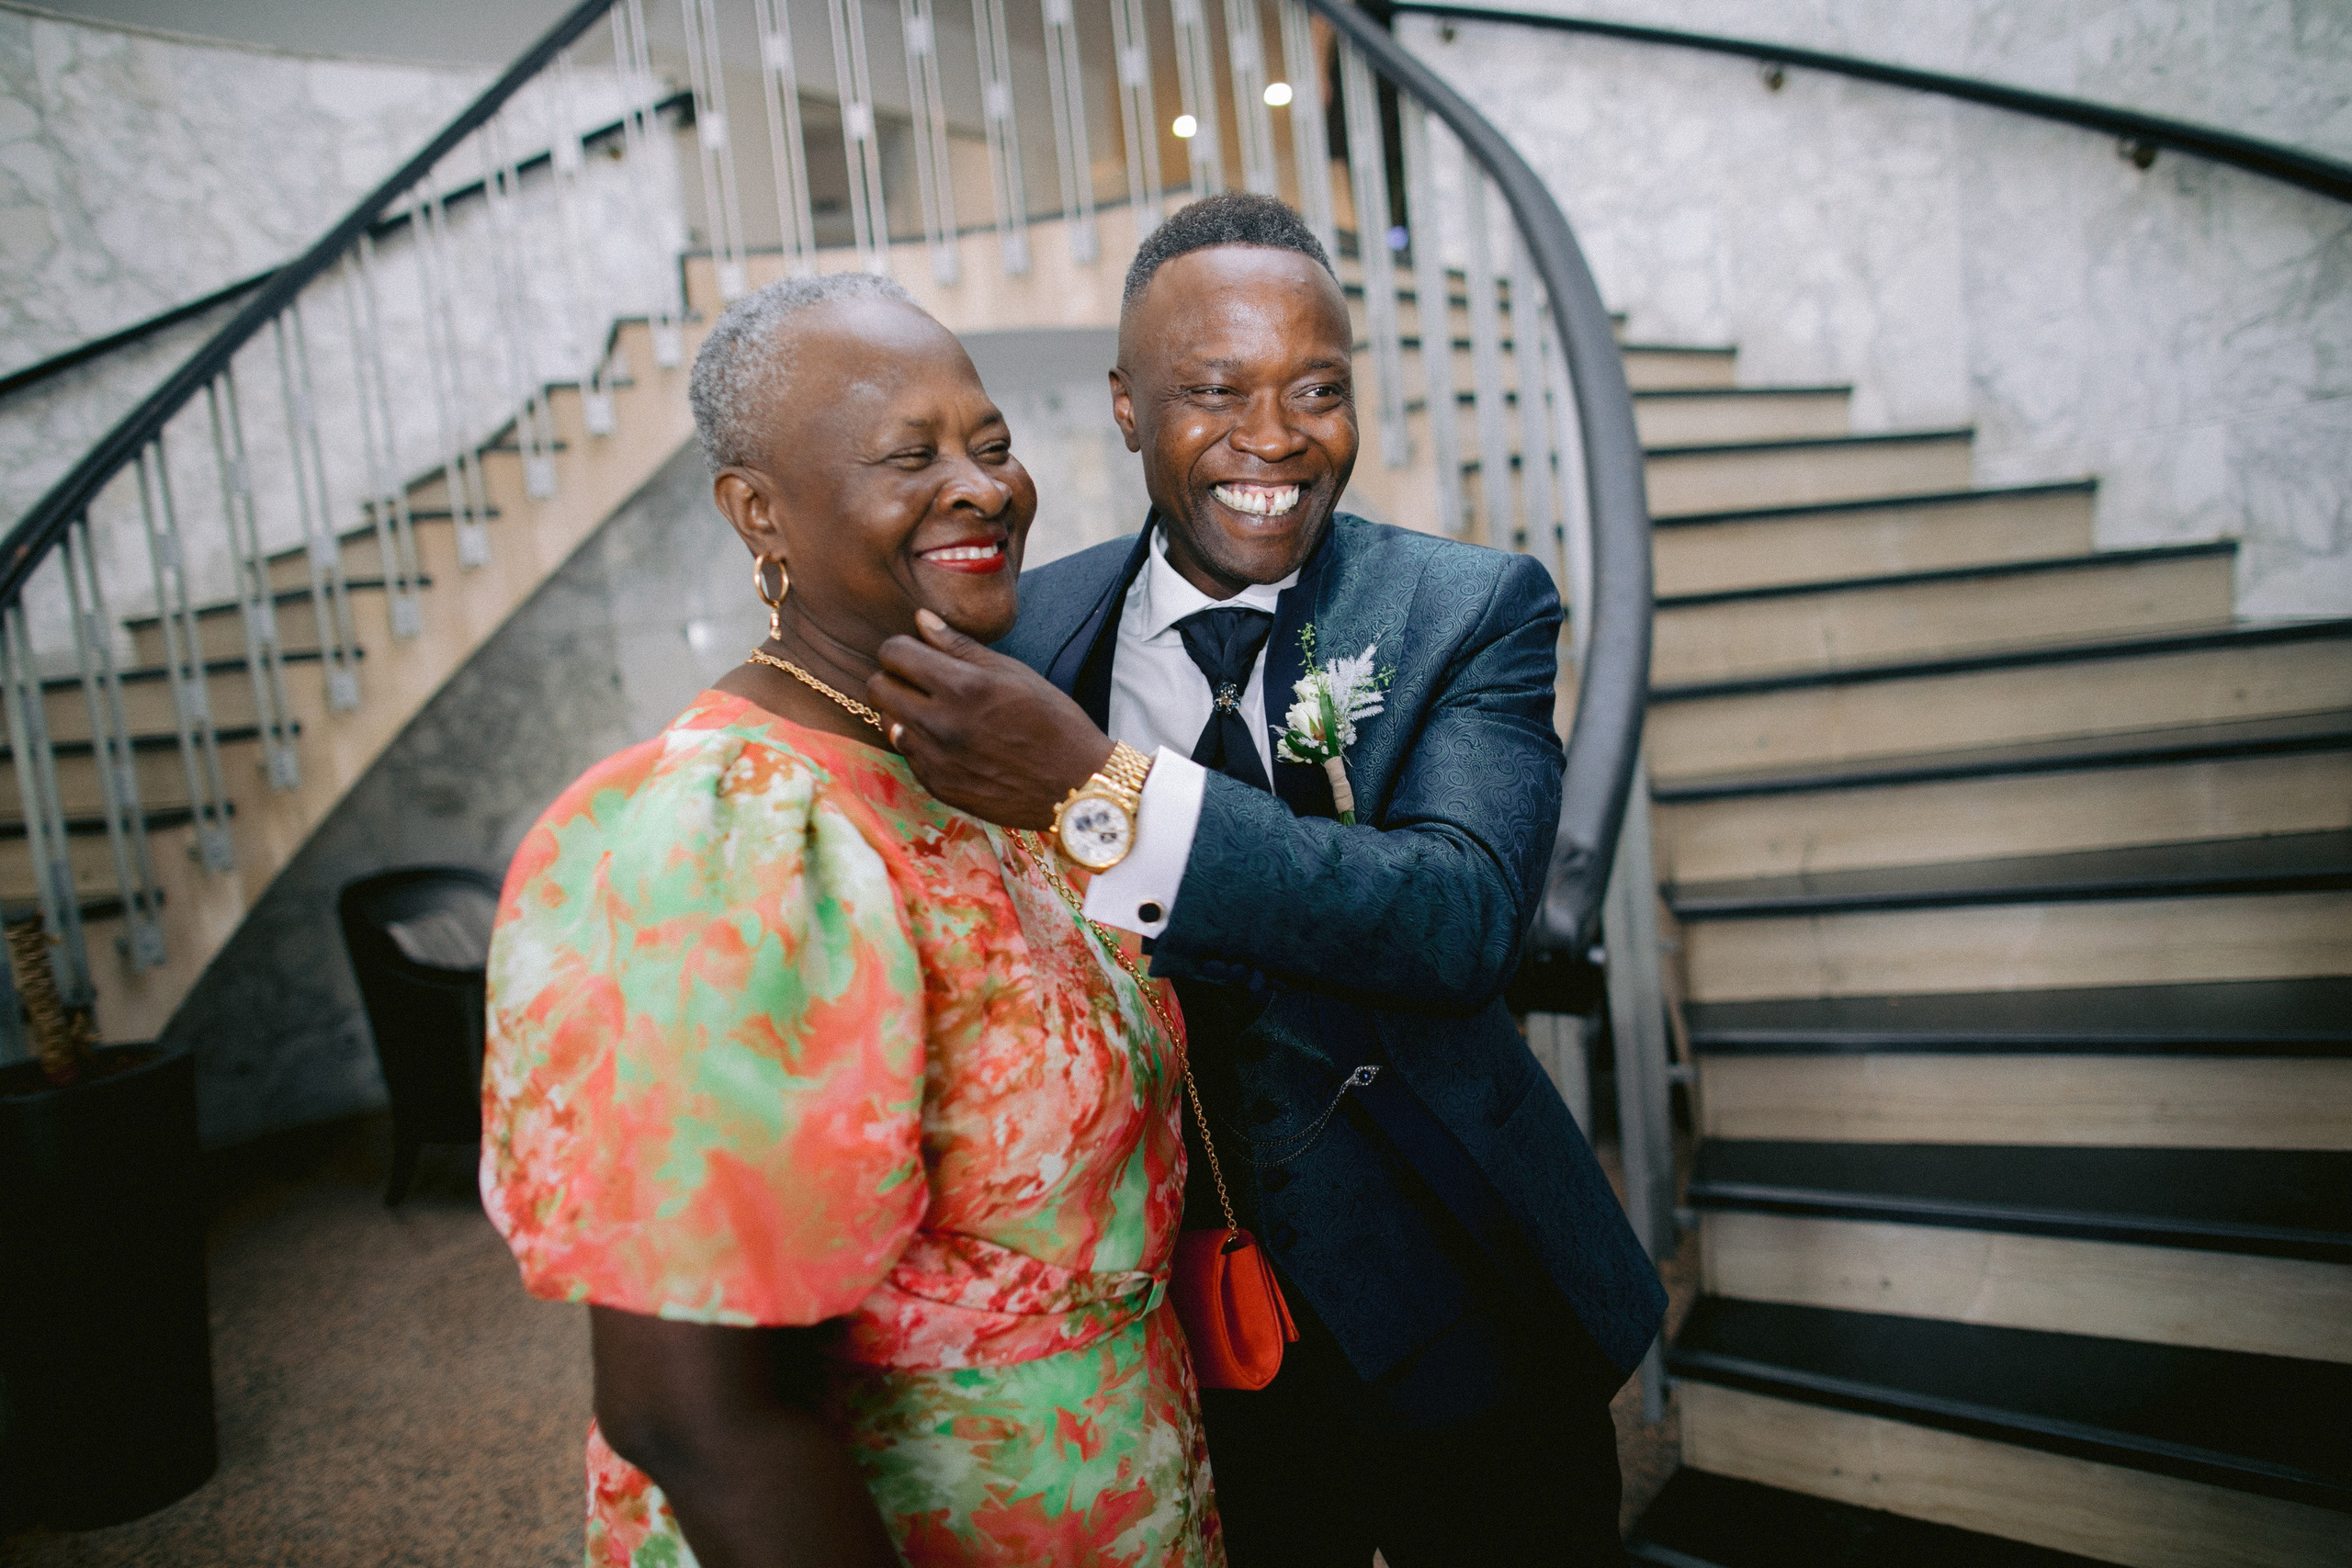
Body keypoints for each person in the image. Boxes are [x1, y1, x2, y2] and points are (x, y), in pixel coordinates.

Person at [867, 193, 1668, 1566]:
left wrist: (1101, 790)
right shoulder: (1028, 630)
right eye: (1214, 390)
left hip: (1459, 1284)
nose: (1276, 438)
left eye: (1318, 390)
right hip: (1177, 1330)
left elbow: (1463, 919)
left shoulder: (1470, 608)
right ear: (1127, 407)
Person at [479, 273, 1220, 1568]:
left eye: (991, 445)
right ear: (758, 511)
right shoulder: (727, 835)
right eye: (910, 456)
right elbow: (693, 1414)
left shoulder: (978, 747)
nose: (984, 486)